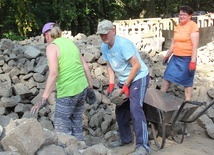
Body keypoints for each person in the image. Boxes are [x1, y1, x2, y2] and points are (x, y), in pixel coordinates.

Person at [30, 22, 96, 141]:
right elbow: (84, 65)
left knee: (61, 125)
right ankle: (80, 149)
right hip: (82, 88)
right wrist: (90, 86)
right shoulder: (70, 43)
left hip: (68, 90)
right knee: (76, 121)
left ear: (47, 35)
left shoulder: (51, 47)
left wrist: (44, 98)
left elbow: (54, 73)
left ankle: (68, 150)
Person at [97, 20, 150, 155]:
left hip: (139, 77)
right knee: (120, 110)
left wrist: (126, 85)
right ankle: (125, 139)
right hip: (124, 79)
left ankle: (143, 146)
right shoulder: (104, 47)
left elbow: (136, 65)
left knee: (135, 108)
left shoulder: (123, 44)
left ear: (113, 31)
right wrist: (111, 83)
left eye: (105, 34)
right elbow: (109, 66)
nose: (103, 37)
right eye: (101, 35)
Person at [161, 6, 199, 101]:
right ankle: (160, 98)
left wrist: (193, 61)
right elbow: (174, 43)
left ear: (189, 16)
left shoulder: (193, 26)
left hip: (187, 58)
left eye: (184, 14)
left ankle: (188, 101)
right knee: (167, 77)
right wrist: (167, 55)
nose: (181, 16)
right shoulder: (178, 27)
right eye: (180, 14)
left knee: (187, 81)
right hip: (176, 58)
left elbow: (194, 45)